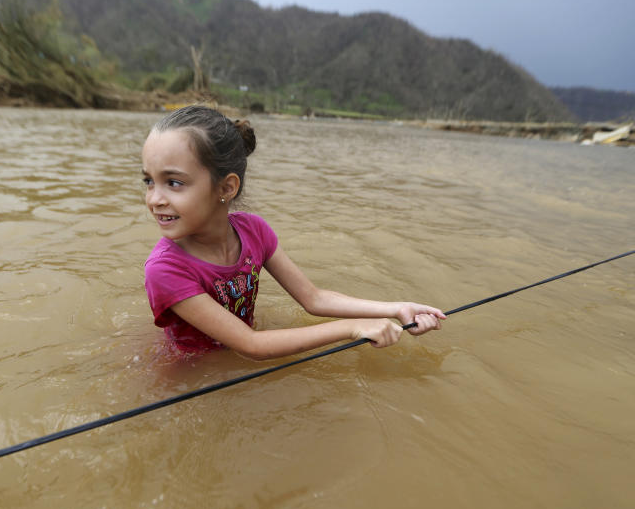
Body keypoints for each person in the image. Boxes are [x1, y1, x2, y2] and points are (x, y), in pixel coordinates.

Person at [142, 105, 444, 360]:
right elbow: (252, 345)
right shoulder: (165, 269)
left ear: (226, 187)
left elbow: (314, 299)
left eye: (174, 183)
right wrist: (354, 327)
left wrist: (396, 308)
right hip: (190, 371)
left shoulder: (253, 230)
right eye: (149, 182)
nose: (155, 199)